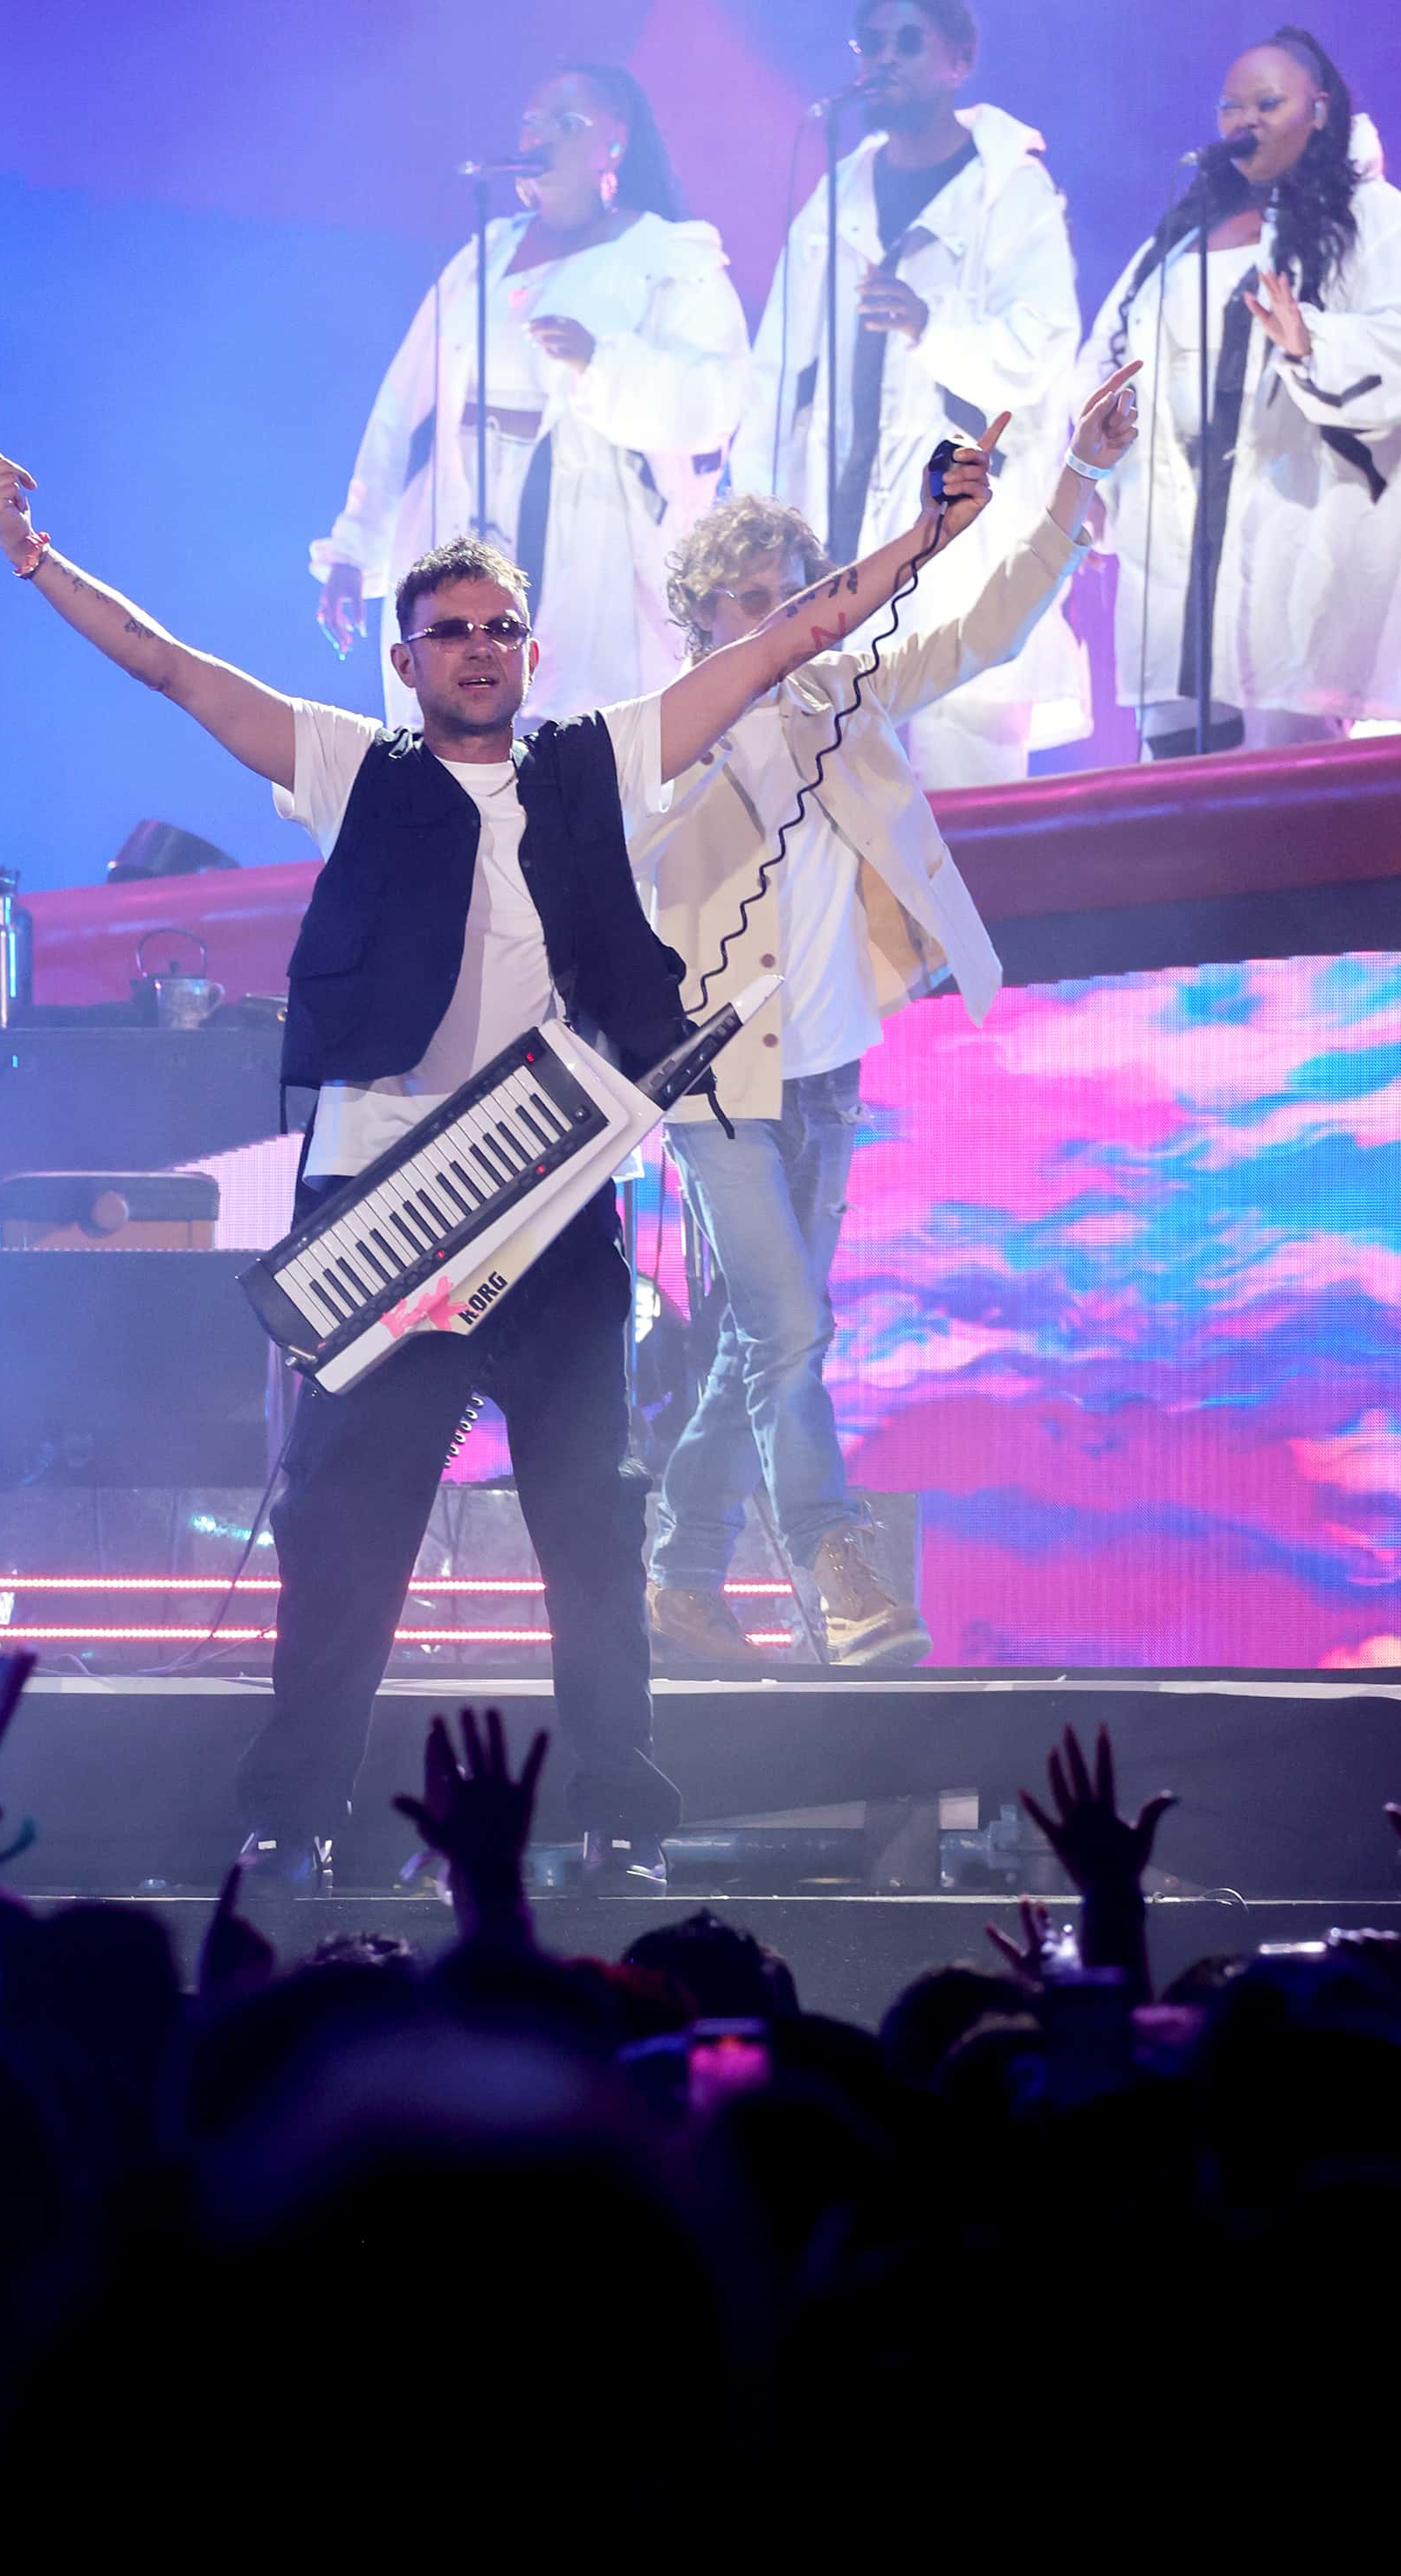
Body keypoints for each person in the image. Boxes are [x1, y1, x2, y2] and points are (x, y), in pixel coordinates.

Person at [0, 402, 1002, 1895]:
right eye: (449, 629)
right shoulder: (351, 766)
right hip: (386, 1192)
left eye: (500, 626)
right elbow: (174, 668)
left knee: (595, 1516)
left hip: (558, 1196)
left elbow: (775, 649)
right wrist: (32, 555)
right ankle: (295, 1812)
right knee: (342, 1528)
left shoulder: (596, 762)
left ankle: (618, 1814)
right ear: (405, 656)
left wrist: (927, 539)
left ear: (530, 648)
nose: (477, 648)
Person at [634, 363, 1141, 1668]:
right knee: (789, 1327)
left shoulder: (843, 701)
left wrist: (1073, 479)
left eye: (784, 597)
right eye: (736, 604)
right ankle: (833, 1559)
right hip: (706, 1082)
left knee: (764, 1331)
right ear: (691, 617)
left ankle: (679, 1579)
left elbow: (988, 628)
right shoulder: (651, 742)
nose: (764, 622)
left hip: (826, 1067)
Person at [313, 65, 749, 725]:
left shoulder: (666, 257)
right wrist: (353, 550)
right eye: (532, 122)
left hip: (585, 528)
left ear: (615, 143)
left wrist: (600, 363)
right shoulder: (483, 256)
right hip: (456, 512)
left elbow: (713, 402)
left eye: (566, 123)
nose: (541, 136)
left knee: (561, 724)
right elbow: (401, 408)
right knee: (452, 721)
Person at [731, 0, 1086, 790]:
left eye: (905, 42)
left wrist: (934, 325)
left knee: (966, 795)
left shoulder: (1008, 191)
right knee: (838, 799)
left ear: (957, 60)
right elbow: (776, 372)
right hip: (839, 532)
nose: (880, 59)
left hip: (957, 535)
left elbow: (1040, 350)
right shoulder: (836, 192)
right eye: (870, 43)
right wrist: (756, 515)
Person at [1080, 25, 1401, 756]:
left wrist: (1310, 340)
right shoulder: (1182, 235)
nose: (1243, 121)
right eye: (1230, 107)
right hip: (1175, 527)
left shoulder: (1370, 217)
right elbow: (1105, 352)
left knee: (1282, 767)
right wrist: (1090, 476)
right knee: (1177, 784)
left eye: (1267, 102)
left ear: (1318, 111)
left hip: (1293, 516)